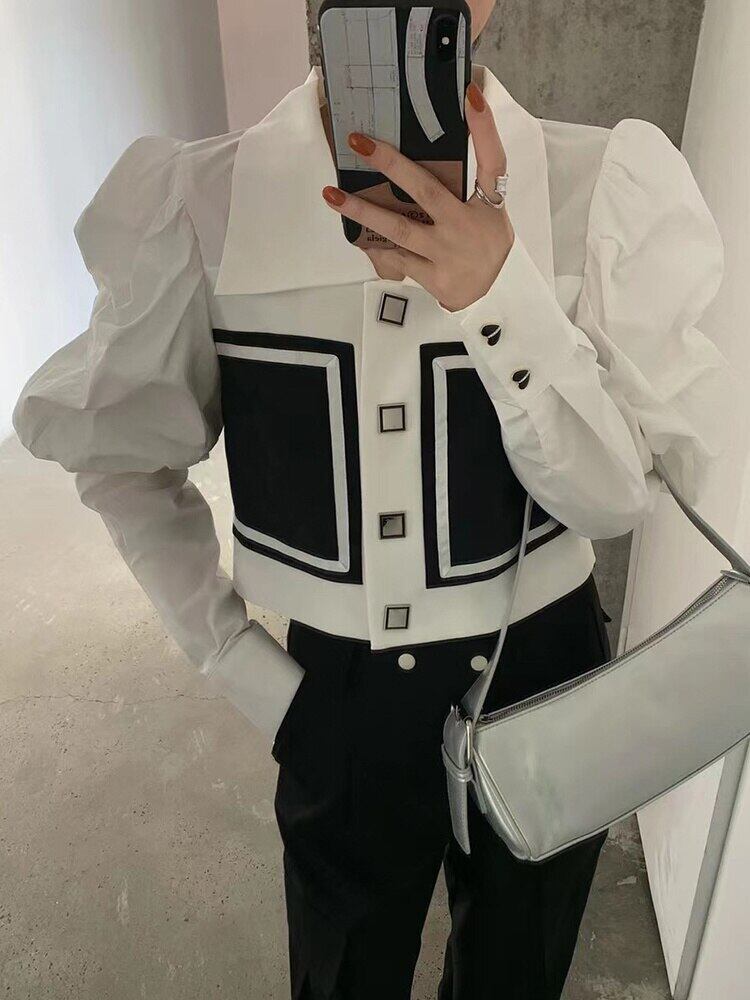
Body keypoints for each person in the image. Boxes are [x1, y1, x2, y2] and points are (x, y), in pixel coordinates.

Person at [13, 1, 732, 997]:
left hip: (549, 679)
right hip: (338, 698)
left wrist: (500, 295)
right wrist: (245, 669)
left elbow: (614, 504)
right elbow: (117, 453)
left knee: (519, 972)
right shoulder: (203, 202)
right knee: (343, 973)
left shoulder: (599, 188)